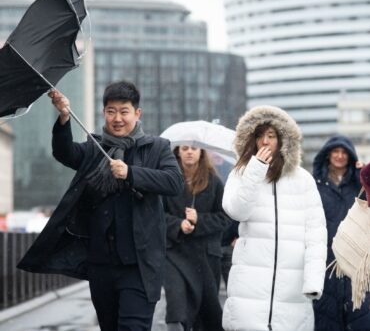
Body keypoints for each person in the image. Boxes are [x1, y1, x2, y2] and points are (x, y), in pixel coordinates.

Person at [17, 80, 184, 331]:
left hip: (140, 265)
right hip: (101, 265)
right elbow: (65, 153)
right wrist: (63, 118)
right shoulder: (96, 148)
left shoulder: (156, 147)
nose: (117, 118)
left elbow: (174, 182)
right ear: (104, 112)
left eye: (124, 111)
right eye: (111, 111)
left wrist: (131, 172)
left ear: (137, 114)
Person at [221, 105, 327, 331]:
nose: (265, 142)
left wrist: (313, 280)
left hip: (292, 286)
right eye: (260, 136)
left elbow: (316, 234)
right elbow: (236, 211)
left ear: (282, 140)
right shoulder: (241, 173)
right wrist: (255, 170)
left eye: (271, 136)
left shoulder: (303, 180)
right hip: (250, 284)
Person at [163, 145, 230, 331]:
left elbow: (224, 218)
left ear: (201, 153)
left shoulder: (215, 182)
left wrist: (198, 220)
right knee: (176, 306)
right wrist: (178, 225)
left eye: (194, 148)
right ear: (178, 152)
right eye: (185, 148)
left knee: (207, 312)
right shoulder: (169, 180)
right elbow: (157, 215)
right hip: (175, 254)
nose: (189, 152)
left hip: (205, 257)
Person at [312, 135, 370, 331]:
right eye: (335, 151)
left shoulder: (359, 184)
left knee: (360, 316)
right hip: (326, 261)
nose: (339, 156)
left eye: (344, 152)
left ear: (351, 156)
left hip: (357, 260)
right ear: (328, 155)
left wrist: (365, 175)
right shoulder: (315, 186)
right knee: (327, 318)